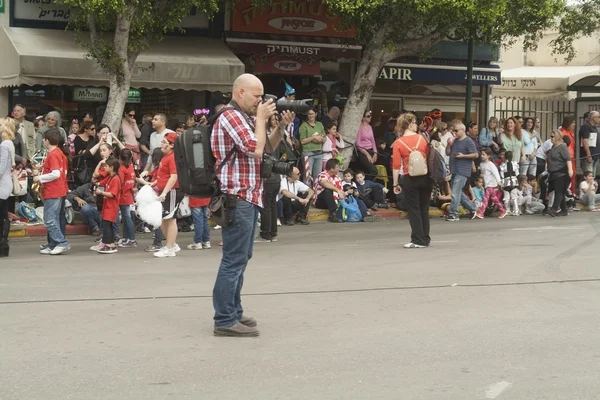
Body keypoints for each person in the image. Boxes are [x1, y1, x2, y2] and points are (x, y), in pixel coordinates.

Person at [211, 73, 292, 337]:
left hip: (248, 197)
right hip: (237, 198)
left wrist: (279, 127)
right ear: (240, 92)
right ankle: (224, 319)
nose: (261, 100)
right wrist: (261, 118)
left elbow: (266, 148)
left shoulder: (245, 118)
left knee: (242, 258)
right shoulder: (230, 116)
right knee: (233, 260)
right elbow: (254, 148)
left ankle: (234, 311)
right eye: (257, 96)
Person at [392, 113, 432, 248]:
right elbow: (428, 157)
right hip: (426, 177)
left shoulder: (398, 143)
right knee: (424, 209)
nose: (417, 125)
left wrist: (395, 183)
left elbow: (396, 166)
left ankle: (417, 240)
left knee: (414, 209)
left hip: (410, 177)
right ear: (409, 124)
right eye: (415, 122)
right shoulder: (422, 139)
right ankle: (425, 238)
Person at [34, 128, 70, 255]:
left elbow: (56, 173)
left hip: (53, 190)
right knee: (54, 218)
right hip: (58, 190)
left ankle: (61, 242)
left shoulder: (53, 154)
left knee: (49, 219)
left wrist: (40, 177)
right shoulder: (58, 152)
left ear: (47, 141)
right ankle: (53, 244)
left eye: (44, 139)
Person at [153, 132, 183, 258]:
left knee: (170, 219)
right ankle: (172, 244)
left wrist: (165, 192)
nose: (162, 144)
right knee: (164, 219)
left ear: (172, 145)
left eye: (165, 142)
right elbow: (164, 176)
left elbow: (174, 176)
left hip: (172, 191)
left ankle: (170, 247)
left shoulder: (172, 158)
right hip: (165, 191)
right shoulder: (166, 157)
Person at [445, 122, 479, 221]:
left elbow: (475, 154)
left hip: (463, 170)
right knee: (458, 192)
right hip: (454, 169)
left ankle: (453, 214)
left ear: (462, 130)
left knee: (455, 193)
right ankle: (472, 208)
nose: (454, 132)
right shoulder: (455, 141)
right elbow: (448, 153)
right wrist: (448, 145)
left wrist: (463, 156)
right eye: (453, 130)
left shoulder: (468, 141)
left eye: (456, 130)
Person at [92, 158, 121, 254]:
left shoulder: (116, 179)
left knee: (107, 225)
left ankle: (109, 245)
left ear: (111, 168)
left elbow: (113, 194)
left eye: (106, 166)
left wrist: (101, 192)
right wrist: (97, 183)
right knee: (107, 224)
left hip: (111, 206)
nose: (104, 168)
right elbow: (102, 182)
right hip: (107, 205)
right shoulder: (110, 177)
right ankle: (109, 243)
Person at [546, 130, 573, 217]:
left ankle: (554, 209)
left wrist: (570, 170)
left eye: (552, 136)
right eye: (550, 136)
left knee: (559, 191)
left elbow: (568, 159)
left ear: (557, 137)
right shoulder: (554, 146)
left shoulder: (562, 146)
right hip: (553, 173)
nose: (551, 138)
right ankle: (564, 209)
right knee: (560, 191)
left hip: (561, 172)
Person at [475, 148, 507, 219]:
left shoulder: (491, 164)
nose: (482, 156)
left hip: (491, 183)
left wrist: (499, 182)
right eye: (481, 154)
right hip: (486, 183)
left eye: (484, 154)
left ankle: (481, 212)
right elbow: (483, 173)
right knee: (494, 198)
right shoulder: (481, 164)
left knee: (486, 198)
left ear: (488, 156)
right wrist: (481, 175)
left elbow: (496, 173)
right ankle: (502, 210)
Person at [314, 158, 345, 223]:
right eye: (337, 167)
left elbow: (341, 191)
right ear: (332, 169)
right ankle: (333, 215)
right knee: (328, 190)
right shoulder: (322, 174)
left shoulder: (337, 178)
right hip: (321, 201)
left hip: (334, 201)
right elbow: (324, 183)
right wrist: (338, 191)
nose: (339, 168)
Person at [0, 127, 15, 257]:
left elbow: (1, 166)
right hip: (6, 183)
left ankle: (3, 245)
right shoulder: (9, 142)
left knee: (2, 216)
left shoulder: (4, 144)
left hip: (2, 184)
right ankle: (3, 245)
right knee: (3, 215)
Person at [299, 108, 325, 182]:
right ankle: (308, 193)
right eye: (309, 114)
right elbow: (302, 141)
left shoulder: (319, 124)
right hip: (308, 153)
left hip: (319, 153)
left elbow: (324, 137)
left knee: (317, 177)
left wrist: (320, 139)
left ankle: (316, 192)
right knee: (308, 176)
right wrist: (313, 137)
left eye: (312, 114)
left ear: (316, 114)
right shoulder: (303, 125)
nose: (310, 116)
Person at [117, 149, 137, 248]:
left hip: (123, 196)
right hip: (129, 194)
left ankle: (132, 239)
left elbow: (119, 184)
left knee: (127, 218)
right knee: (126, 218)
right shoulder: (131, 167)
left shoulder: (121, 169)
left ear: (119, 158)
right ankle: (126, 237)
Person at [356, 110, 379, 179]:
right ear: (363, 118)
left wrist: (375, 153)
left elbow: (373, 141)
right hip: (363, 151)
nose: (370, 117)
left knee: (368, 171)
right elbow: (358, 143)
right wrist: (367, 154)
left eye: (370, 116)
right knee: (374, 171)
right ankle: (367, 185)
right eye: (368, 116)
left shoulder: (370, 127)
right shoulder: (359, 127)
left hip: (371, 150)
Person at [580, 110, 600, 177]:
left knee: (592, 177)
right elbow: (585, 141)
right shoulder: (586, 127)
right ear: (594, 118)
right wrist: (588, 155)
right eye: (598, 117)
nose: (599, 119)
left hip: (595, 156)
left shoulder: (594, 127)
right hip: (589, 156)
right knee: (588, 176)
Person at [500, 151, 520, 216]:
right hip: (514, 181)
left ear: (505, 157)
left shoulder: (502, 165)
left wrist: (502, 182)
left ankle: (507, 211)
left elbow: (502, 175)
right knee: (514, 197)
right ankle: (516, 211)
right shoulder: (515, 164)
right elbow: (517, 173)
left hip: (506, 181)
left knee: (506, 197)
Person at [559, 115, 576, 191]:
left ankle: (571, 192)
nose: (574, 124)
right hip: (566, 158)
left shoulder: (570, 132)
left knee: (573, 175)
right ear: (568, 123)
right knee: (568, 175)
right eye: (573, 123)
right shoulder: (562, 132)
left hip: (571, 157)